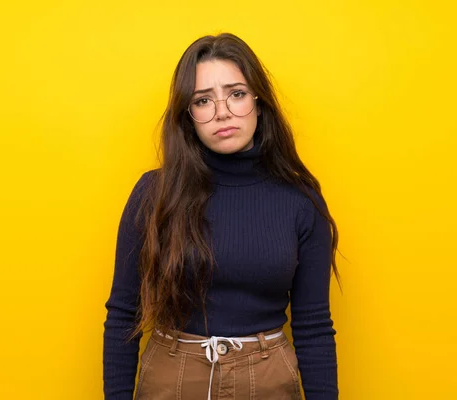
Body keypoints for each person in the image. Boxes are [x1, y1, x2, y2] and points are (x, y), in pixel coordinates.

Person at [103, 32, 340, 400]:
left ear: (259, 103)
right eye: (203, 100)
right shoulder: (154, 195)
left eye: (237, 94)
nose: (223, 112)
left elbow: (314, 328)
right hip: (172, 377)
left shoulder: (300, 201)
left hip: (268, 381)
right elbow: (122, 315)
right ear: (188, 116)